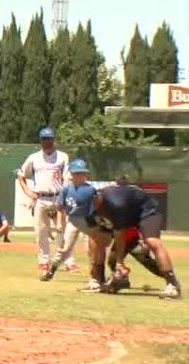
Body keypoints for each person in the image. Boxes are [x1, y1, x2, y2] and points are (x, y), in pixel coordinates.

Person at [65, 182, 181, 300]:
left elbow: (120, 235)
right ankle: (98, 280)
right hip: (125, 219)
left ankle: (172, 284)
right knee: (99, 241)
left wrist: (120, 263)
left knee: (152, 241)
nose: (89, 208)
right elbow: (97, 236)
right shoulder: (88, 208)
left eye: (90, 204)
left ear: (97, 196)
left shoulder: (116, 203)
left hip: (145, 211)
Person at [16, 127, 72, 277]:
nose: (47, 142)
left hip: (57, 196)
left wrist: (66, 196)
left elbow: (67, 177)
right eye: (44, 139)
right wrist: (28, 192)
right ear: (40, 141)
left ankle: (66, 260)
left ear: (54, 139)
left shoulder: (62, 157)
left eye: (50, 138)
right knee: (41, 232)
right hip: (41, 197)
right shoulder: (34, 158)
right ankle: (43, 261)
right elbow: (21, 175)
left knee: (62, 230)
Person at [43, 158, 92, 281]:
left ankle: (95, 276)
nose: (78, 176)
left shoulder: (90, 190)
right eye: (76, 173)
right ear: (71, 174)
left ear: (85, 175)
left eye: (81, 173)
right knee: (64, 248)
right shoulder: (66, 190)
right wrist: (59, 222)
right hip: (73, 220)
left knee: (91, 249)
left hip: (88, 221)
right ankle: (51, 271)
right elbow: (60, 207)